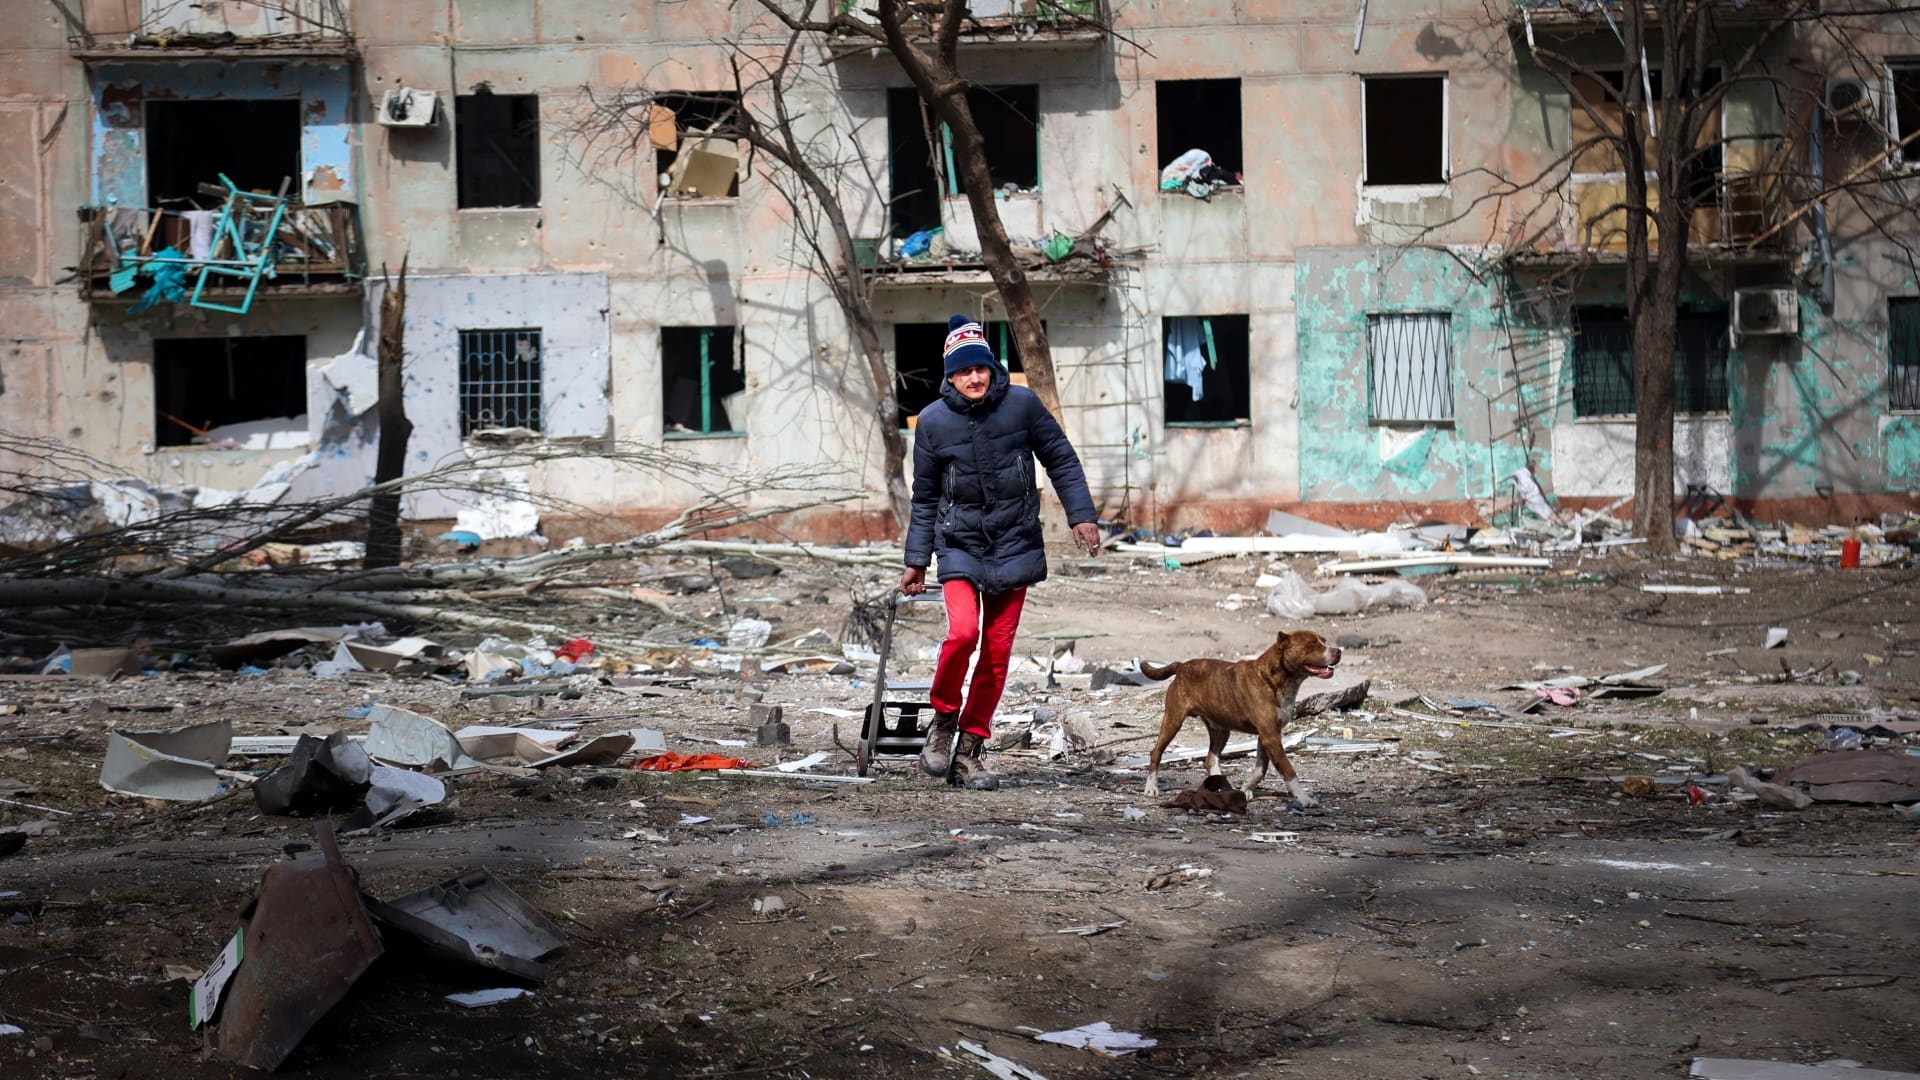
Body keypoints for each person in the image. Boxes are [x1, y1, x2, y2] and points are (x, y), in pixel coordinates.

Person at [901, 315, 1101, 790]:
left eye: (981, 368)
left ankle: (970, 749)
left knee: (996, 652)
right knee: (964, 634)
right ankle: (944, 719)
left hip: (1015, 542)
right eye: (962, 371)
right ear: (949, 376)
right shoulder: (931, 422)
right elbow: (924, 496)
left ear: (993, 367)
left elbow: (1061, 458)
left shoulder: (1023, 405)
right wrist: (916, 561)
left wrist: (1081, 514)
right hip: (960, 544)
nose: (974, 378)